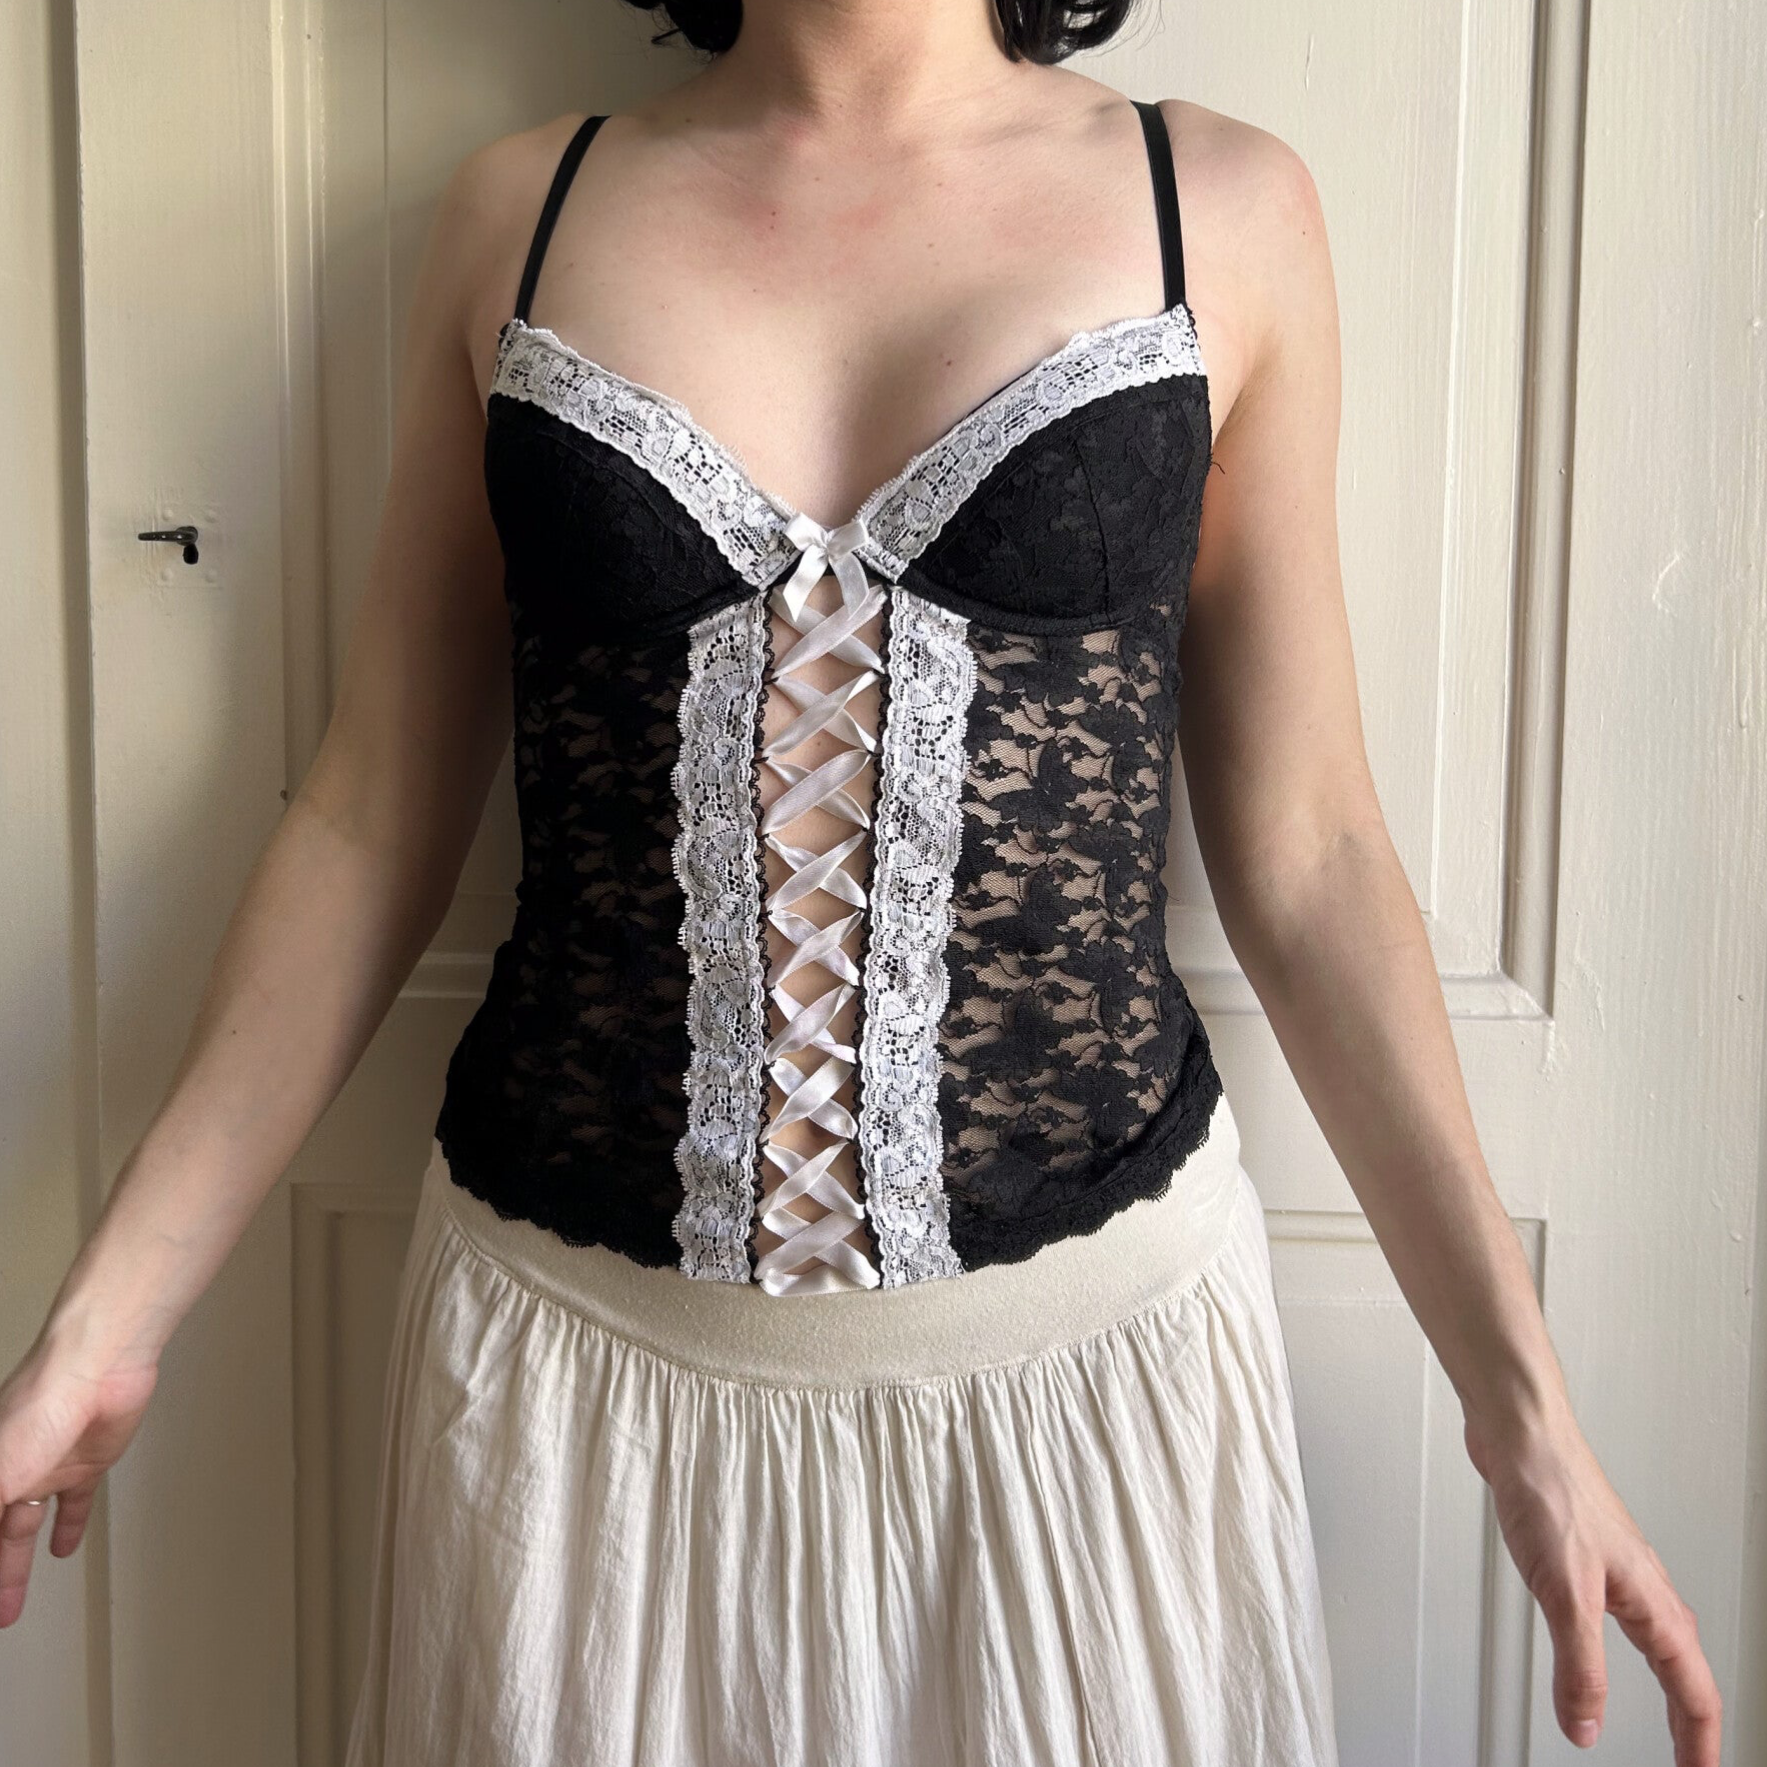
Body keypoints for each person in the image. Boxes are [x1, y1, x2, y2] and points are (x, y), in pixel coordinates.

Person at [0, 0, 1724, 1761]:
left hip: (1080, 1410)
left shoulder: (1214, 205)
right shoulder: (519, 212)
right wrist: (101, 1324)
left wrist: (1522, 1407)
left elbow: (1309, 852)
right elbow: (370, 820)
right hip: (580, 1421)